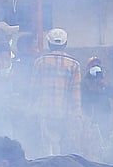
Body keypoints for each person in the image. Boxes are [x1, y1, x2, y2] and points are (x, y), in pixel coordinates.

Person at [32, 27, 82, 155]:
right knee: (62, 147)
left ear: (49, 44)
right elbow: (75, 92)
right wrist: (77, 114)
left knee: (47, 147)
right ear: (65, 44)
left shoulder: (40, 62)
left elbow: (34, 88)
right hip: (65, 113)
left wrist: (31, 107)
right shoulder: (74, 64)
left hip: (45, 112)